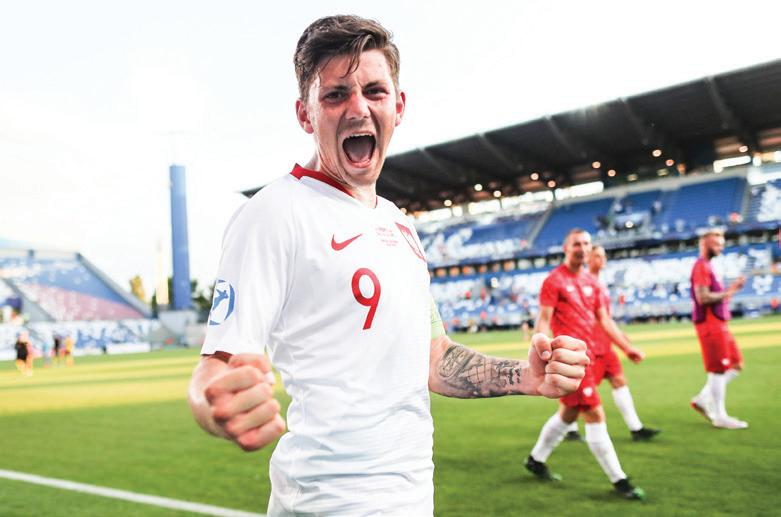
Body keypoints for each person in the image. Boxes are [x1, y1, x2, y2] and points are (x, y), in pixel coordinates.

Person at [187, 15, 589, 516]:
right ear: (305, 114)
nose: (358, 108)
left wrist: (526, 376)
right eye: (335, 95)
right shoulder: (273, 213)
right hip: (327, 503)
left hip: (412, 498)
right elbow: (216, 368)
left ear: (398, 106)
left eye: (374, 91)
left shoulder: (400, 225)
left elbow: (433, 357)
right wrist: (214, 404)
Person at [524, 229, 645, 500]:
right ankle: (620, 480)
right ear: (566, 248)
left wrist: (627, 348)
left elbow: (605, 320)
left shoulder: (593, 282)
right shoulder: (554, 280)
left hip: (589, 358)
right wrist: (542, 349)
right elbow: (544, 319)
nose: (582, 247)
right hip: (568, 359)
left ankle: (535, 459)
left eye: (586, 243)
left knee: (568, 414)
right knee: (594, 414)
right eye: (577, 243)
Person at [563, 244, 660, 442]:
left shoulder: (600, 285)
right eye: (598, 256)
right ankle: (569, 427)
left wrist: (620, 336)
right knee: (578, 389)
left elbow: (605, 318)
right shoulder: (581, 284)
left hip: (605, 344)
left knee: (619, 381)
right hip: (590, 346)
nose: (603, 259)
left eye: (604, 256)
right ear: (587, 259)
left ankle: (636, 428)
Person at [689, 228, 748, 429]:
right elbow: (703, 297)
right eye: (717, 244)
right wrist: (729, 291)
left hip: (720, 322)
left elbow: (716, 296)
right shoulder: (701, 266)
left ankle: (703, 399)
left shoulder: (710, 266)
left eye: (722, 244)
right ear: (705, 244)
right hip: (710, 324)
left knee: (736, 364)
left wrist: (732, 289)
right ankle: (720, 415)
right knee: (718, 369)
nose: (721, 247)